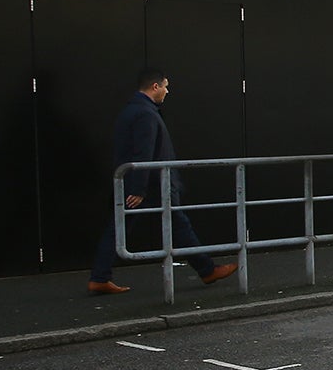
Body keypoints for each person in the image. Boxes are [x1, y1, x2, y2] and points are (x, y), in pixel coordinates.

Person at [87, 68, 236, 295]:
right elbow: (143, 153)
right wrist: (138, 188)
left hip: (147, 184)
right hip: (153, 186)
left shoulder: (134, 110)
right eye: (165, 86)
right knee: (148, 226)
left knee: (127, 227)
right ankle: (206, 270)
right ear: (155, 86)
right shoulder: (145, 114)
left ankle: (206, 269)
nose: (167, 91)